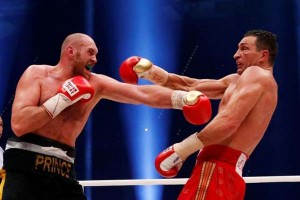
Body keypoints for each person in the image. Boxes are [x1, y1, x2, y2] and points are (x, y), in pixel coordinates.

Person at [1, 33, 212, 200]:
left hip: (63, 172)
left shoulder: (95, 83)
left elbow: (141, 94)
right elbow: (19, 125)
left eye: (96, 54)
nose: (95, 59)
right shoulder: (36, 74)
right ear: (70, 51)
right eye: (90, 52)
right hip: (24, 169)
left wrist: (184, 98)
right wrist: (62, 99)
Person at [121, 29, 278, 199]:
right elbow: (190, 86)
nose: (236, 55)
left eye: (244, 48)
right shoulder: (237, 81)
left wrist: (180, 150)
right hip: (226, 173)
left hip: (216, 169)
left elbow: (229, 122)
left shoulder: (257, 74)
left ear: (263, 56)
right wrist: (151, 72)